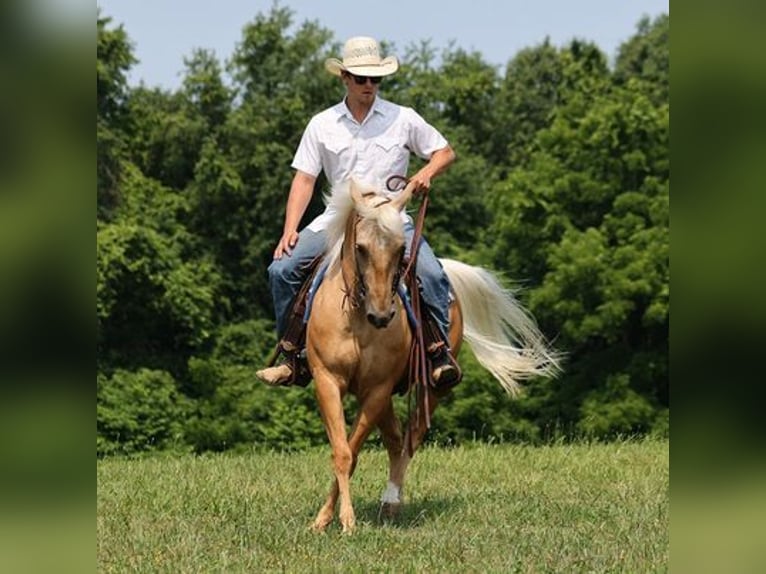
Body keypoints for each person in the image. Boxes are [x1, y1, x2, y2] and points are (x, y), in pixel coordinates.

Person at [256, 36, 460, 389]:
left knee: (430, 272)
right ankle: (294, 356)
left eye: (375, 79)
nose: (369, 86)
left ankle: (438, 354)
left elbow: (444, 152)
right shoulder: (322, 124)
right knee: (282, 269)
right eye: (361, 78)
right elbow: (304, 179)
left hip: (392, 220)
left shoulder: (403, 118)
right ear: (345, 78)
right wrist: (290, 228)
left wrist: (425, 173)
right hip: (338, 222)